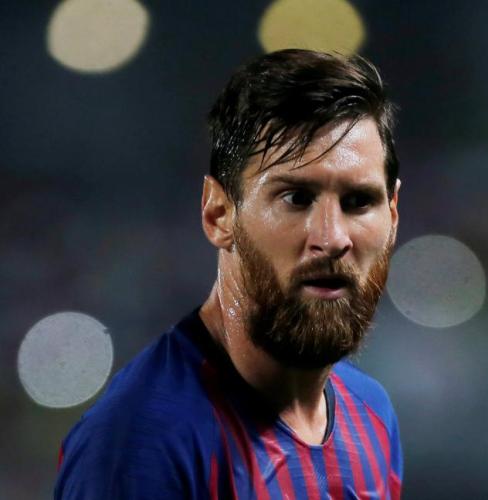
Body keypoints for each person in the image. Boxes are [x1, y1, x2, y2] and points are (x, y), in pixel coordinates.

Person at [55, 49, 403, 499]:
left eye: (358, 202)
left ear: (393, 214)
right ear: (219, 214)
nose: (333, 238)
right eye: (296, 198)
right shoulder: (141, 445)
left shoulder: (372, 416)